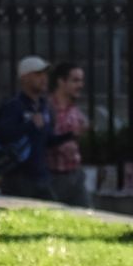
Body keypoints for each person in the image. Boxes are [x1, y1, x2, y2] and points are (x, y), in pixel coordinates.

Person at [0, 57, 57, 201]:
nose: (44, 79)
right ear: (25, 78)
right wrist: (30, 125)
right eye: (38, 74)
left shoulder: (43, 106)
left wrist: (70, 136)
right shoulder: (14, 106)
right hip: (18, 177)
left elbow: (47, 139)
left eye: (45, 75)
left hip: (40, 175)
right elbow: (4, 134)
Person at [45, 60, 94, 207]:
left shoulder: (74, 109)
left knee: (87, 214)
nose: (80, 85)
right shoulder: (47, 108)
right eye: (75, 80)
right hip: (54, 173)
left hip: (74, 172)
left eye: (81, 80)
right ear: (61, 82)